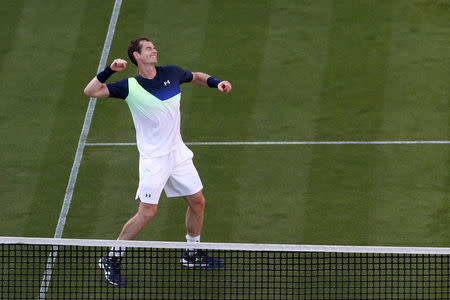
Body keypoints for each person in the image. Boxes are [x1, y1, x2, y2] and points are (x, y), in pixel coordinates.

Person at [84, 37, 232, 286]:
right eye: (149, 49)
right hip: (154, 159)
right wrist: (110, 69)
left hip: (177, 153)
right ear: (137, 56)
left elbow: (195, 76)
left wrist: (217, 83)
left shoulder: (172, 73)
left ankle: (192, 252)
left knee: (198, 201)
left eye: (154, 47)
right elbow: (91, 91)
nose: (154, 50)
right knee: (147, 212)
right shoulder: (129, 86)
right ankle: (111, 257)